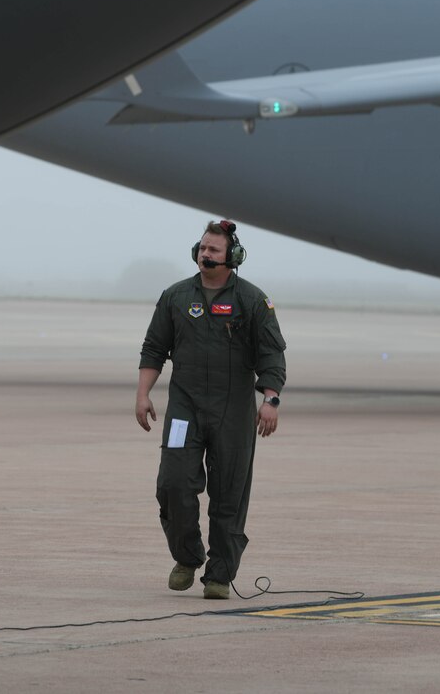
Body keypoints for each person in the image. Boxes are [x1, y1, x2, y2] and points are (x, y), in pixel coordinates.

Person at [135, 220, 286, 600]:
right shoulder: (175, 297)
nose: (206, 254)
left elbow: (271, 355)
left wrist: (270, 399)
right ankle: (187, 557)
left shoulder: (252, 301)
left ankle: (219, 574)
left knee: (229, 495)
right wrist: (143, 394)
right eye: (203, 248)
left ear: (233, 257)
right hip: (184, 408)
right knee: (173, 483)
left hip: (232, 412)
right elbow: (154, 349)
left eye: (214, 250)